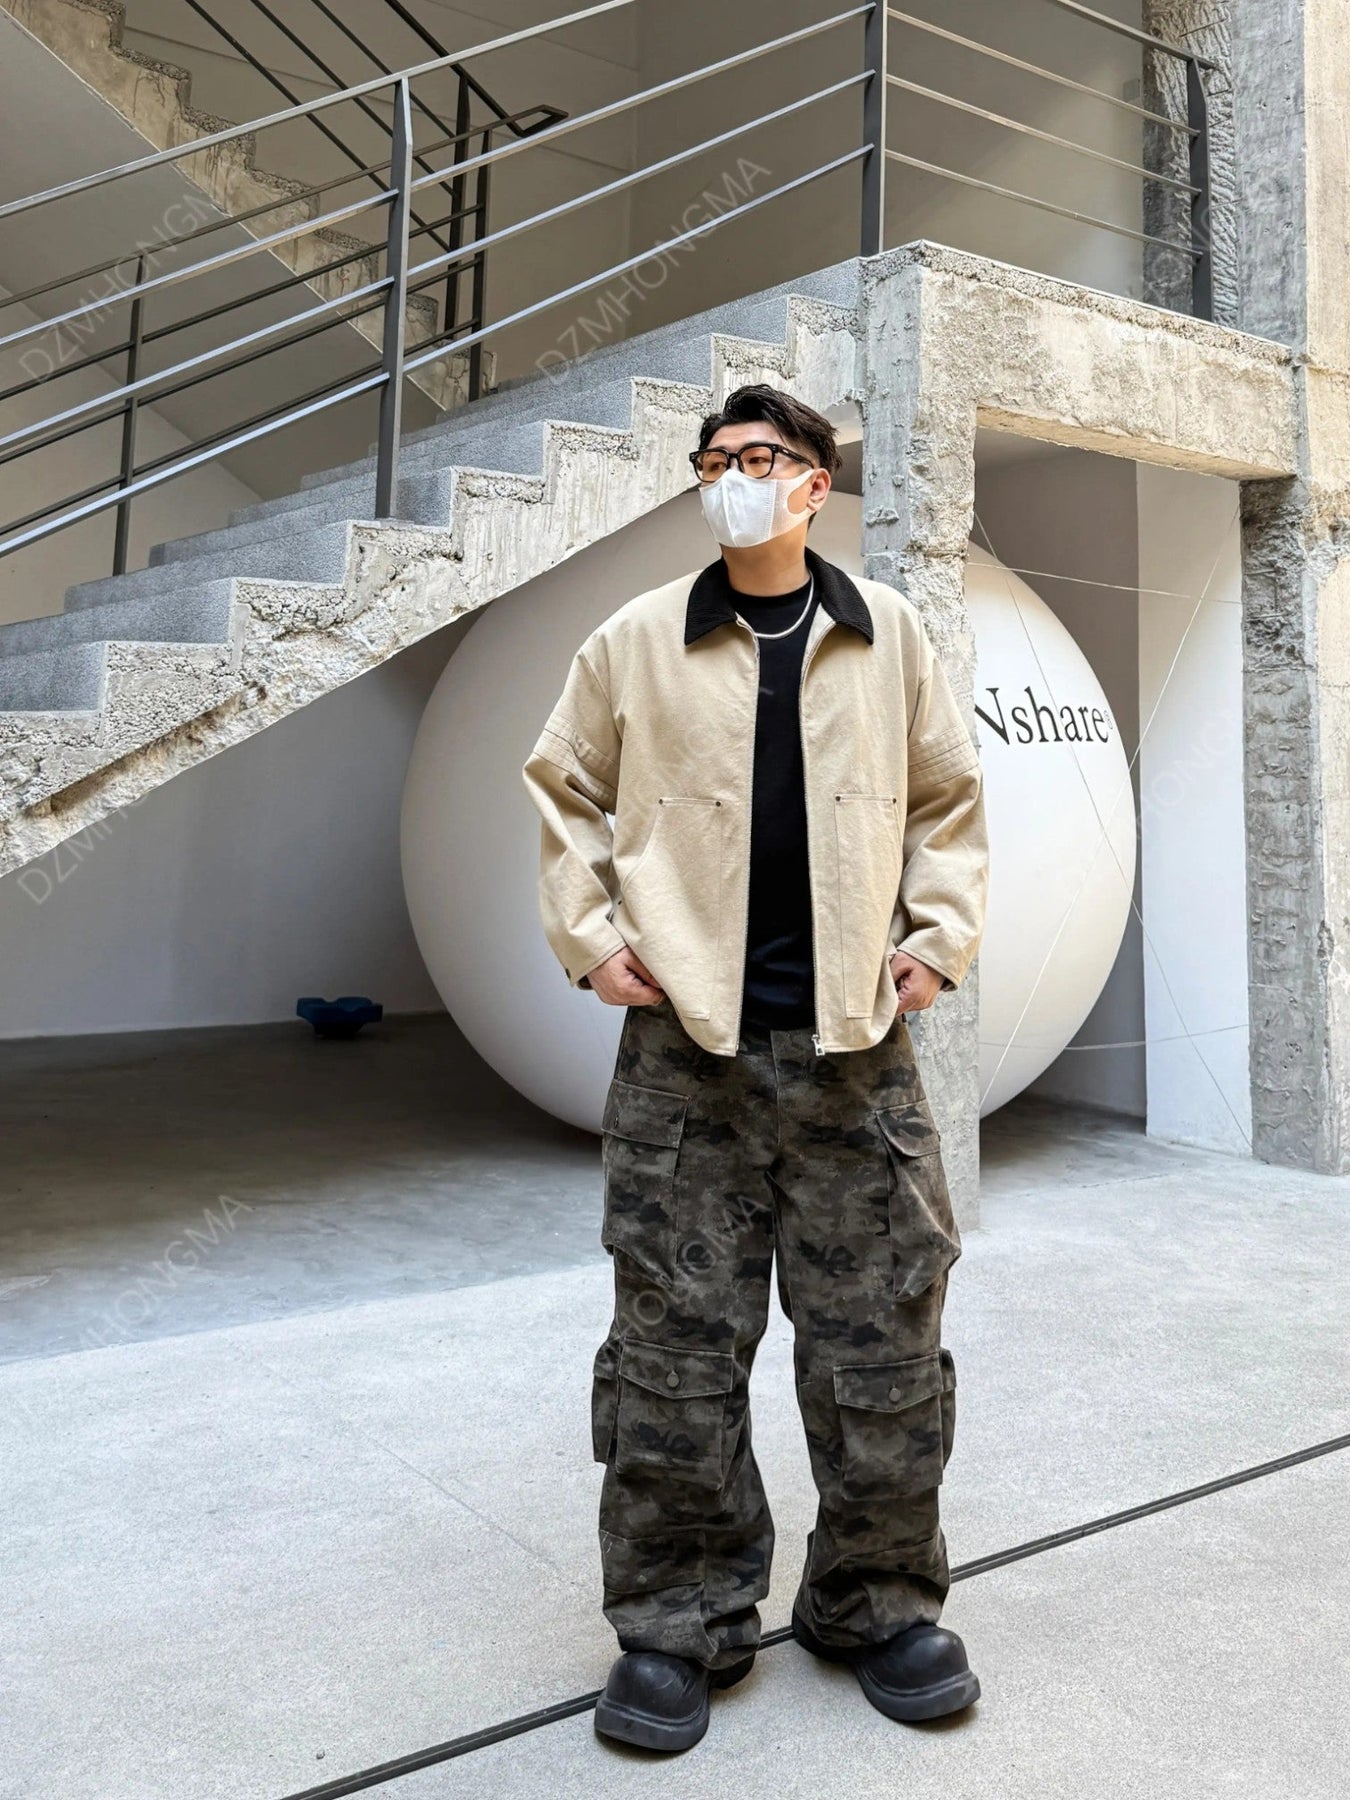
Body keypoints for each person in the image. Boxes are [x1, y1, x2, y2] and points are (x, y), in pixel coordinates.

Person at [520, 382, 989, 1755]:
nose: (735, 475)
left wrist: (935, 940)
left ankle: (876, 1603)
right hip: (689, 1061)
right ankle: (681, 1622)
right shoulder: (634, 641)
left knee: (881, 1350)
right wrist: (592, 939)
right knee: (673, 1358)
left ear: (813, 484)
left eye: (763, 456)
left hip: (856, 1057)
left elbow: (949, 799)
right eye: (716, 457)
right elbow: (561, 788)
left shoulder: (886, 633)